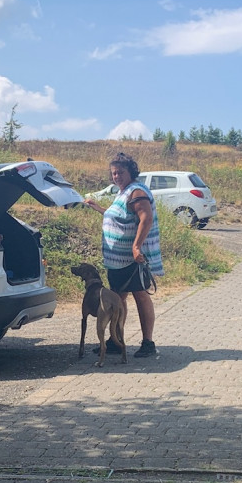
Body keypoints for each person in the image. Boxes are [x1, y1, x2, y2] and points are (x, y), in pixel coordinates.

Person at [82, 151, 163, 358]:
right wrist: (97, 208)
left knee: (141, 296)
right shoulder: (124, 192)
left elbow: (146, 218)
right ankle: (116, 341)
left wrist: (136, 247)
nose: (116, 176)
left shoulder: (136, 192)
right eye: (114, 173)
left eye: (120, 172)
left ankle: (148, 343)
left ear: (131, 172)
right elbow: (118, 217)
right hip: (117, 260)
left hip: (132, 259)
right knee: (118, 298)